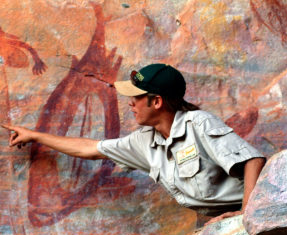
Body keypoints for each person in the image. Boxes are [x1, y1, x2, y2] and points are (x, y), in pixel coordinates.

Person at [2, 63, 265, 225]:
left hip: (255, 211)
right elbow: (89, 149)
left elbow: (253, 161)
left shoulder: (199, 123)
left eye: (137, 97)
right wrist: (35, 135)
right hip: (223, 220)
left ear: (157, 101)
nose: (130, 103)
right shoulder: (144, 141)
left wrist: (246, 215)